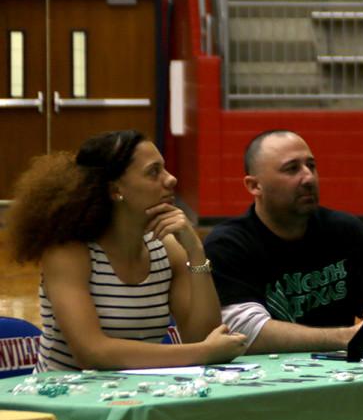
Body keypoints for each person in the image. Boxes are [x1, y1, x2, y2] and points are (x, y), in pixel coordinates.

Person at [5, 130, 246, 372]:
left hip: (138, 397)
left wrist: (196, 252)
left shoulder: (167, 249)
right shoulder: (68, 252)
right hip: (64, 401)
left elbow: (205, 336)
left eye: (165, 168)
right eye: (154, 172)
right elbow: (92, 353)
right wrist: (202, 353)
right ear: (114, 190)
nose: (171, 179)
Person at [203, 130, 363, 353]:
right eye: (292, 169)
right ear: (254, 186)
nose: (308, 178)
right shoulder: (228, 245)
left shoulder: (348, 232)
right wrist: (345, 337)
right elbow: (243, 331)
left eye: (311, 166)